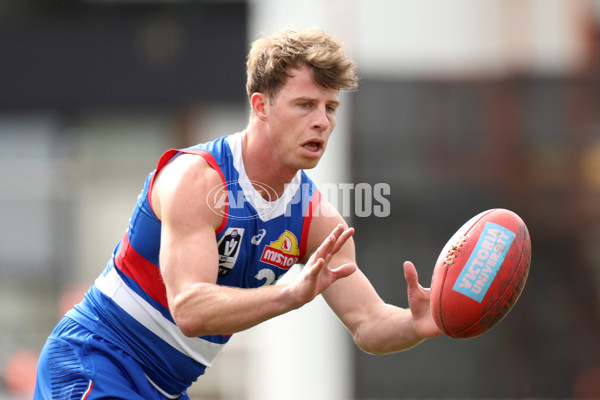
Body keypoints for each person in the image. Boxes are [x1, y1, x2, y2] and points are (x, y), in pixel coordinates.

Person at [34, 28, 442, 399]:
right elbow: (190, 308)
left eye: (330, 108)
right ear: (260, 106)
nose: (321, 121)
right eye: (304, 105)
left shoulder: (317, 219)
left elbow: (369, 324)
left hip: (165, 388)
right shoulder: (199, 180)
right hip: (96, 360)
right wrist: (289, 295)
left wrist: (424, 322)